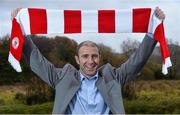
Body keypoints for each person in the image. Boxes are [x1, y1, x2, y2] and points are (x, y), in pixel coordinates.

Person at [12, 7, 165, 114]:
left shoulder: (113, 77)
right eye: (85, 56)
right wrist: (21, 31)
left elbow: (137, 61)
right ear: (77, 59)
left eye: (94, 56)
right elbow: (38, 62)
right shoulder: (62, 77)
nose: (90, 61)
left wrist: (153, 29)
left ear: (99, 58)